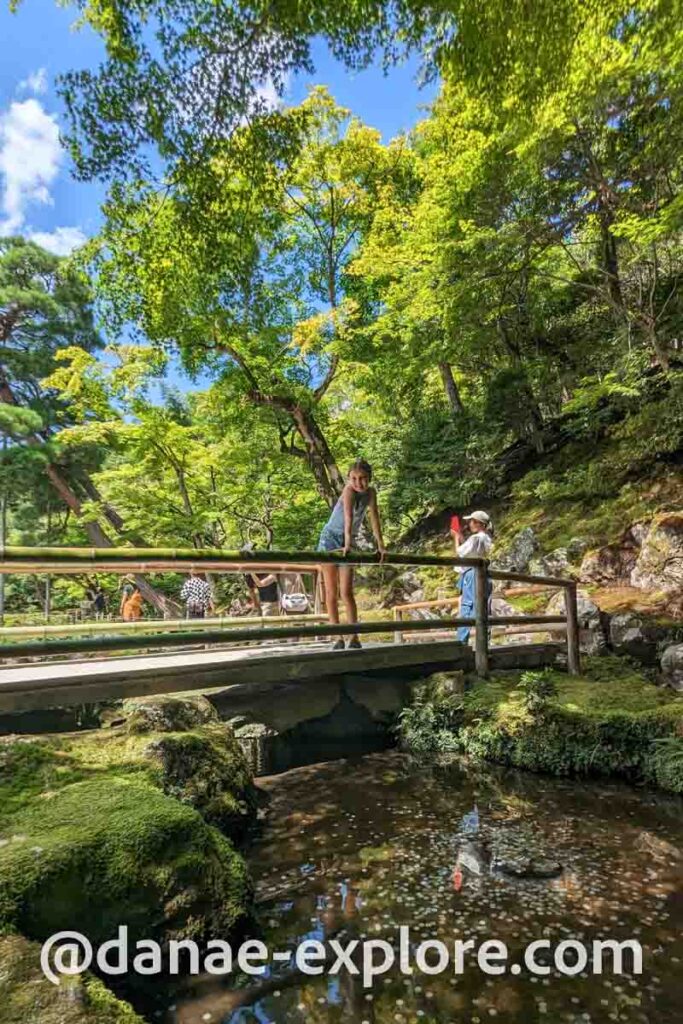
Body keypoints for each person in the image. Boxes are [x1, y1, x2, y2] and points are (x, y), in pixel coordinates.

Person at [317, 458, 386, 650]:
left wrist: (381, 545)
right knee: (331, 591)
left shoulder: (371, 493)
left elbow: (374, 519)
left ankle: (354, 636)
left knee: (346, 591)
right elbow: (347, 517)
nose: (358, 483)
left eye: (362, 478)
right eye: (354, 478)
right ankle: (337, 636)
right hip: (330, 539)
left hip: (349, 541)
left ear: (369, 478)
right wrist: (347, 543)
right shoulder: (348, 491)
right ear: (348, 479)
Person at [451, 510, 493, 644]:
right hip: (481, 573)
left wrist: (456, 538)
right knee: (482, 606)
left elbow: (461, 552)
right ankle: (483, 640)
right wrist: (461, 537)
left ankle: (461, 642)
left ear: (479, 523)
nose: (470, 523)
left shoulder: (476, 538)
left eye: (472, 521)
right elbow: (471, 551)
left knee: (467, 607)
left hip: (471, 574)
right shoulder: (485, 538)